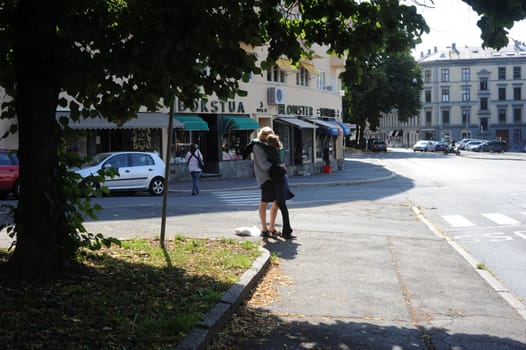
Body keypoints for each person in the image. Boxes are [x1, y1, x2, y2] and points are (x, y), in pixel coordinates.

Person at [252, 127, 295, 239]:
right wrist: (278, 166)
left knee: (276, 202)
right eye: (269, 136)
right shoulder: (258, 146)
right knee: (264, 203)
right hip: (265, 178)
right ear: (264, 136)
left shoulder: (269, 146)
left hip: (274, 178)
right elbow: (263, 164)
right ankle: (264, 229)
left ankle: (271, 227)